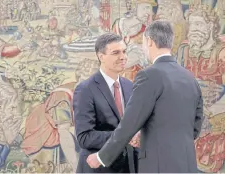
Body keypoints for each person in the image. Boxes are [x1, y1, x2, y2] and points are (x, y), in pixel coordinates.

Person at [86, 21, 204, 173]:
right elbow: (195, 127)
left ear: (149, 41)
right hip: (187, 165)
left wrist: (102, 157)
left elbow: (129, 124)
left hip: (158, 166)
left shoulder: (148, 76)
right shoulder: (190, 78)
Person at [73, 33, 138, 173]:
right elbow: (84, 137)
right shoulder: (85, 89)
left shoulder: (130, 86)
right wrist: (124, 137)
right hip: (99, 169)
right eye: (116, 53)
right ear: (101, 56)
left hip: (128, 168)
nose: (123, 57)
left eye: (124, 51)